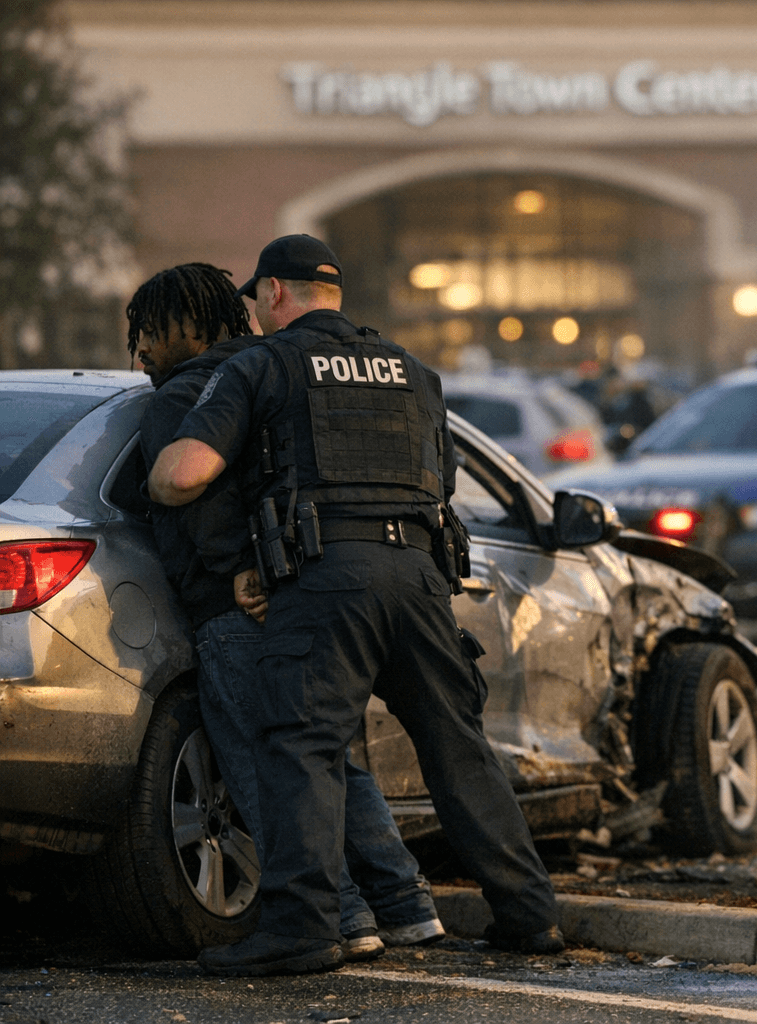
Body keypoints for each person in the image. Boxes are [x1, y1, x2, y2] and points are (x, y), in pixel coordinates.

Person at [147, 235, 561, 977]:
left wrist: (163, 483)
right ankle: (530, 917)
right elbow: (443, 483)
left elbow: (185, 473)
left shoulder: (261, 364)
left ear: (275, 293)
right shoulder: (414, 373)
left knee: (300, 748)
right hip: (420, 577)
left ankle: (303, 930)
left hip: (324, 579)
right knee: (457, 748)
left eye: (257, 298)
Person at [128, 263, 445, 962]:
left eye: (150, 330)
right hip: (318, 591)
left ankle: (336, 918)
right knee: (324, 758)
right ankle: (403, 904)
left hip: (235, 605)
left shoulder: (186, 395)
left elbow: (198, 499)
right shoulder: (291, 375)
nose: (139, 350)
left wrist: (236, 570)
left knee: (263, 763)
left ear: (195, 323)